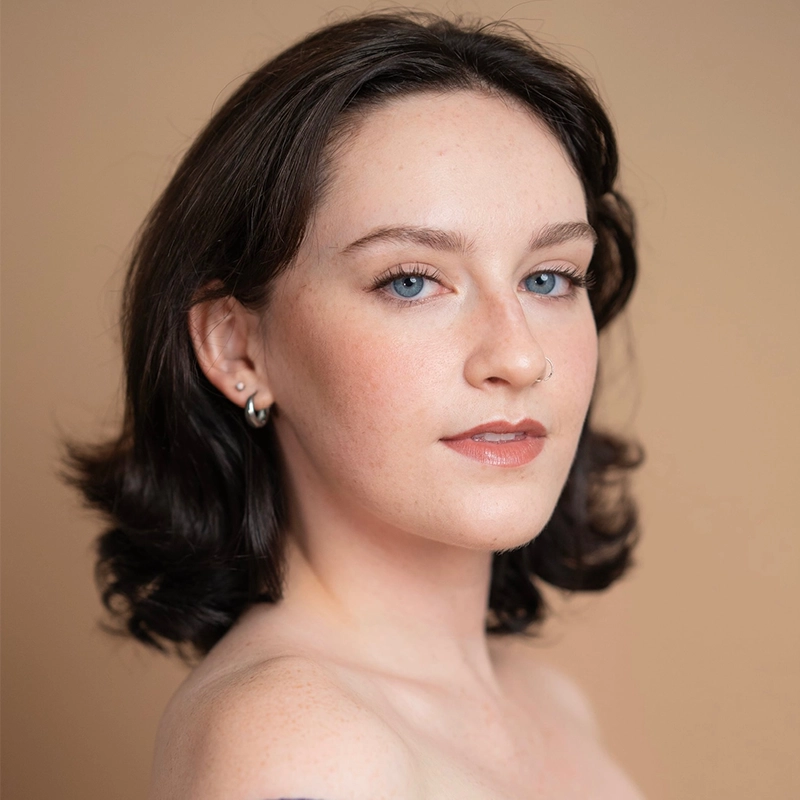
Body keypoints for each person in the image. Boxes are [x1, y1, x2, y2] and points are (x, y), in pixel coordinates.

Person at [67, 11, 643, 799]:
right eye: (410, 280)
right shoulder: (298, 742)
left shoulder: (549, 704)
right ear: (239, 348)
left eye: (549, 278)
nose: (519, 356)